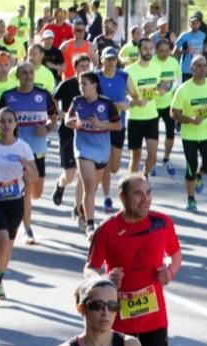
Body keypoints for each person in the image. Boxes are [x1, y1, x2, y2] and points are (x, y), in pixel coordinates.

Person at [84, 174, 182, 346]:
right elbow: (90, 268)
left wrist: (169, 273)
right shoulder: (107, 229)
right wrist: (103, 278)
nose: (145, 199)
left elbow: (176, 255)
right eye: (138, 194)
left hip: (153, 315)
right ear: (122, 197)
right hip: (117, 318)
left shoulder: (162, 223)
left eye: (149, 193)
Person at [0, 61, 58, 245]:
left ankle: (27, 210)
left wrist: (47, 128)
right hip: (16, 152)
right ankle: (27, 228)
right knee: (24, 191)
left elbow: (54, 117)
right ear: (17, 76)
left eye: (31, 72)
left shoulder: (43, 95)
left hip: (37, 151)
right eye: (24, 73)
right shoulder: (8, 96)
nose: (28, 76)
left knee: (35, 192)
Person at [0, 107, 38, 300]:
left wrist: (26, 167)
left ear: (16, 124)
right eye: (2, 121)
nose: (6, 125)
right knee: (0, 239)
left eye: (10, 121)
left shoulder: (23, 147)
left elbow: (33, 176)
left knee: (7, 246)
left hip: (15, 201)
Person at [67, 70, 120, 236]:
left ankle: (81, 210)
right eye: (80, 84)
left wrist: (100, 124)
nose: (81, 87)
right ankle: (91, 225)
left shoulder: (106, 103)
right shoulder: (77, 101)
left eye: (85, 84)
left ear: (94, 85)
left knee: (92, 188)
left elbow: (117, 125)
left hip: (102, 150)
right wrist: (73, 123)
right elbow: (67, 120)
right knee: (89, 186)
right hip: (83, 148)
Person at [170, 55, 207, 213]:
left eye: (204, 66)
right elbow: (173, 113)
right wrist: (190, 120)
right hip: (189, 136)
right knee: (191, 168)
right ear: (191, 69)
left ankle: (200, 176)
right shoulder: (184, 89)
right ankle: (191, 198)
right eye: (198, 66)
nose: (202, 69)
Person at [51, 54, 94, 228]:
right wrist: (59, 113)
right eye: (81, 65)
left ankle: (79, 209)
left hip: (86, 134)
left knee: (83, 176)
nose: (84, 68)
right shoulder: (67, 84)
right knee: (70, 174)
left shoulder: (92, 85)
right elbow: (52, 98)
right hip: (68, 132)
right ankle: (60, 184)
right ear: (75, 68)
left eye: (87, 65)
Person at [96, 47, 131, 214]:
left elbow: (134, 96)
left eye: (113, 59)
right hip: (101, 126)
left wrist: (128, 103)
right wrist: (111, 105)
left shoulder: (123, 76)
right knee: (106, 163)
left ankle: (104, 179)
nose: (111, 62)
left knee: (115, 167)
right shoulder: (96, 77)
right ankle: (107, 197)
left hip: (119, 125)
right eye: (108, 59)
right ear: (101, 59)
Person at [125, 38, 161, 177]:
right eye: (145, 48)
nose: (148, 51)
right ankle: (130, 184)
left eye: (151, 48)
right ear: (139, 50)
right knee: (136, 157)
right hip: (135, 118)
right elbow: (125, 94)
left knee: (153, 156)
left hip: (152, 116)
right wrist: (135, 100)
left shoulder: (157, 68)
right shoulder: (129, 71)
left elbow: (156, 89)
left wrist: (160, 91)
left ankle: (144, 177)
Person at [150, 38, 181, 178]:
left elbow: (178, 80)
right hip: (154, 104)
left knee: (170, 133)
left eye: (167, 51)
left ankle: (166, 158)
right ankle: (152, 161)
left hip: (169, 104)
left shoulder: (174, 62)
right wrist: (157, 89)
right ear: (156, 51)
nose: (164, 53)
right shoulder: (151, 62)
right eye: (161, 51)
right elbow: (147, 81)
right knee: (153, 135)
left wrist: (171, 89)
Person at [173, 15, 207, 83]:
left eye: (197, 23)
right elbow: (174, 53)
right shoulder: (184, 36)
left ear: (200, 24)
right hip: (186, 69)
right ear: (189, 24)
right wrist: (185, 51)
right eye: (193, 23)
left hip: (199, 68)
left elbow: (205, 49)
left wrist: (205, 49)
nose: (195, 25)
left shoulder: (203, 35)